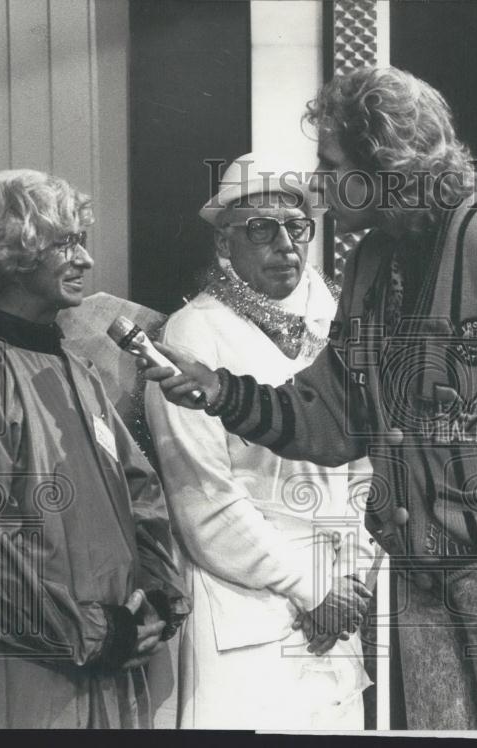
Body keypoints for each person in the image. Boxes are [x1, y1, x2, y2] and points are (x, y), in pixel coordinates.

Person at [141, 66, 477, 730]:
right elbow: (335, 417)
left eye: (331, 163)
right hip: (421, 582)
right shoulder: (374, 260)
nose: (319, 184)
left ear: (386, 165)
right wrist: (220, 392)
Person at [0, 169, 189, 728]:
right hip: (23, 678)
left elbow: (139, 496)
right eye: (64, 243)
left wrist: (159, 598)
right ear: (12, 255)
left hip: (109, 668)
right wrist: (96, 633)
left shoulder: (79, 371)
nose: (86, 261)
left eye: (81, 241)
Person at [143, 154, 374, 729]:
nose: (285, 245)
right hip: (247, 603)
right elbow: (203, 500)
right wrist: (310, 588)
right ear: (226, 242)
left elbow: (373, 464)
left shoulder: (337, 324)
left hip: (339, 604)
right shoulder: (194, 332)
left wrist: (352, 579)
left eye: (297, 228)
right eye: (261, 229)